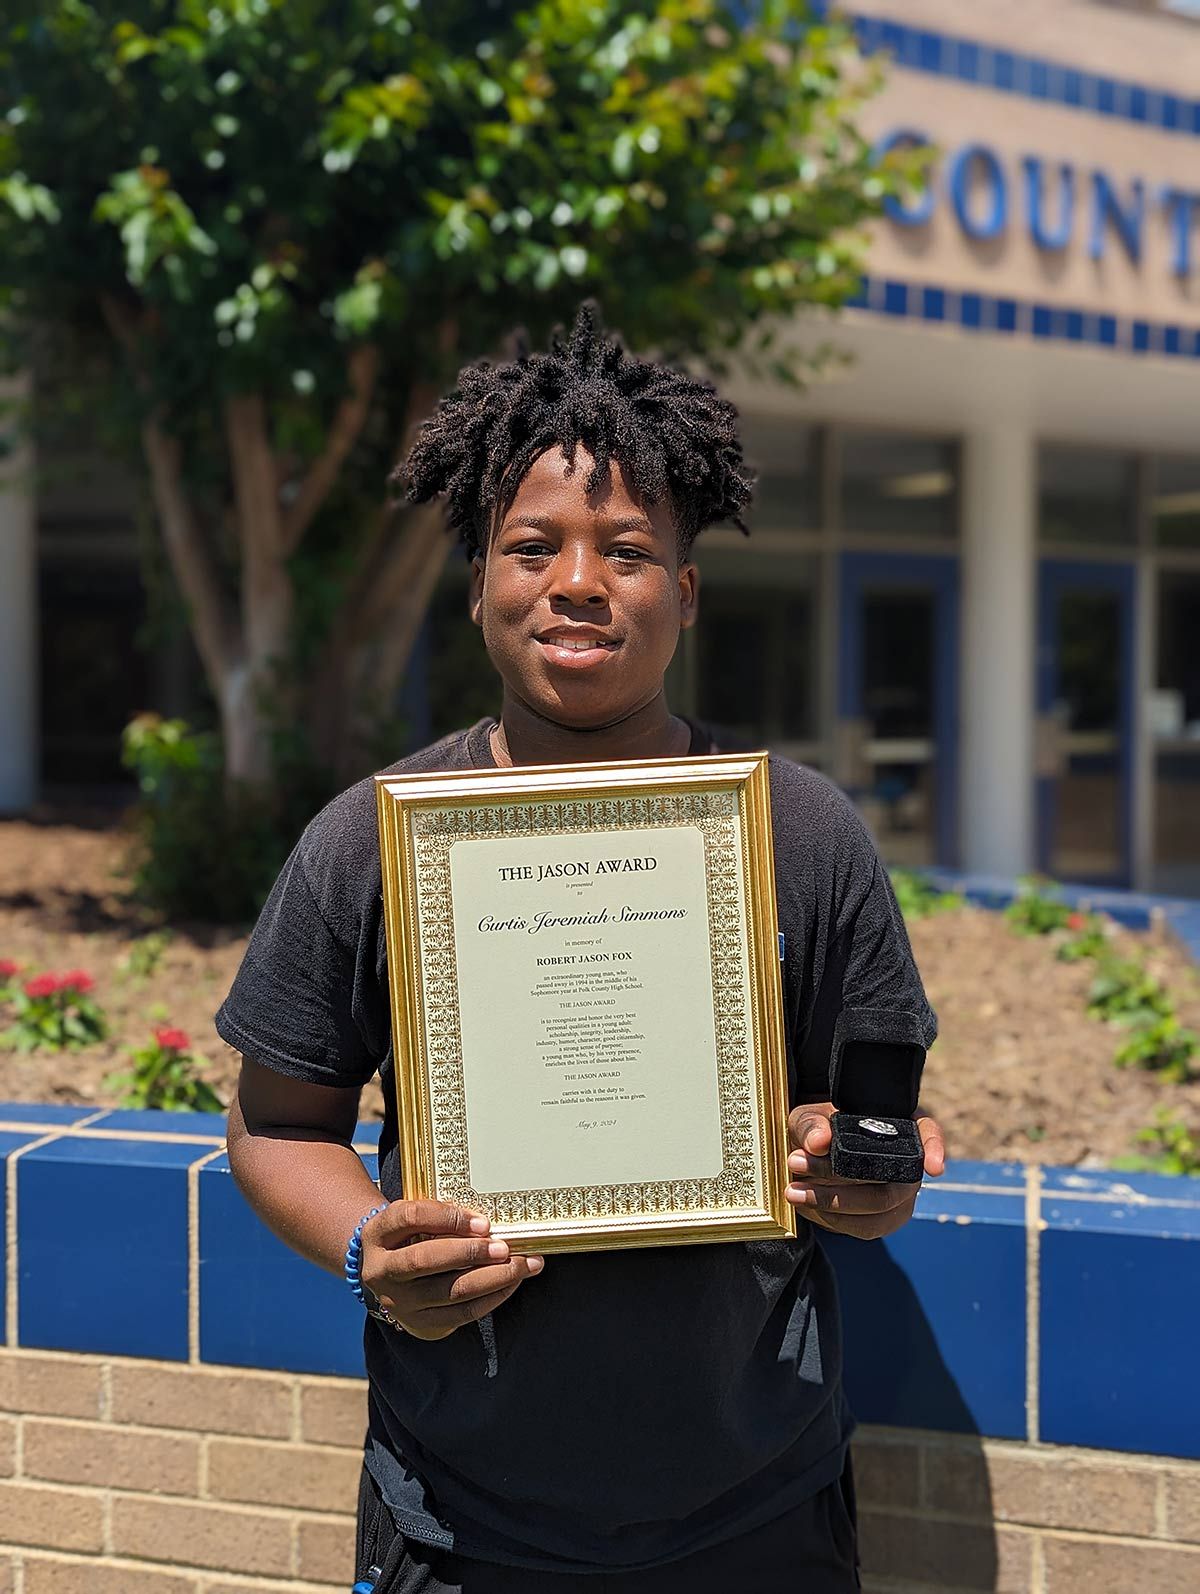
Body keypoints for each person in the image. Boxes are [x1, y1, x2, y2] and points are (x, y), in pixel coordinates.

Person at [217, 306, 945, 1594]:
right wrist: (370, 1246)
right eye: (531, 545)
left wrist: (857, 1171)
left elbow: (876, 1131)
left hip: (756, 1507)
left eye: (630, 550)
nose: (578, 581)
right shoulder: (371, 842)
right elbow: (276, 1122)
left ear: (686, 593)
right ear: (480, 586)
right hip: (460, 1515)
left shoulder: (804, 834)